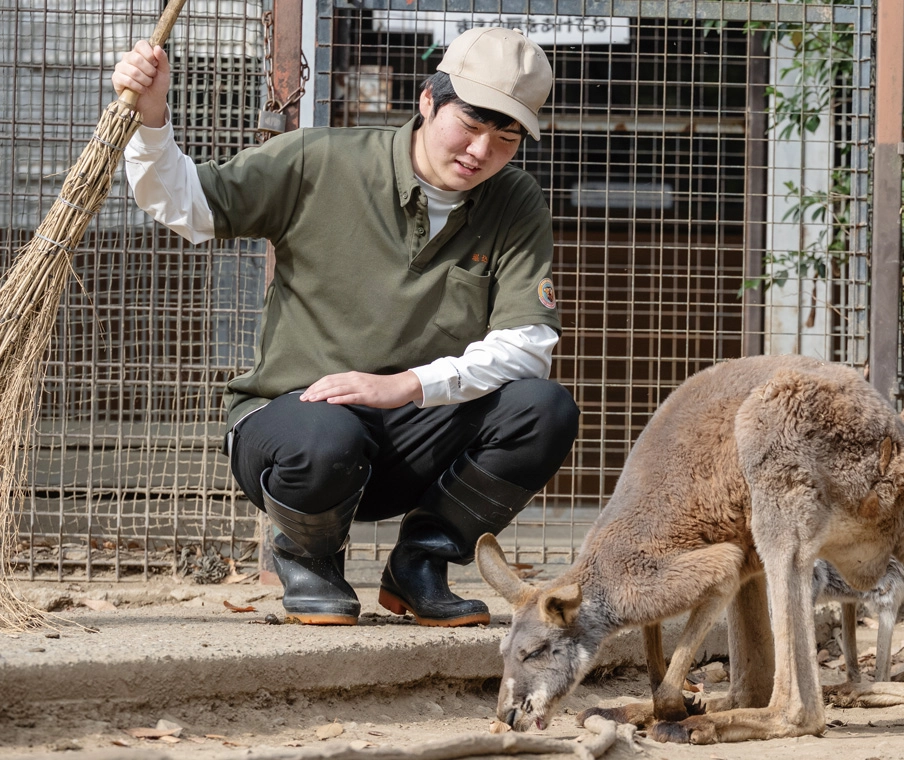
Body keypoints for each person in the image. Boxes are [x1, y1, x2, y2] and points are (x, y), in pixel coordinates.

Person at [112, 28, 579, 627]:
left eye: (506, 137)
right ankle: (308, 557)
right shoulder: (319, 160)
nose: (481, 150)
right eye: (470, 123)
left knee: (543, 409)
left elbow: (528, 345)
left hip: (411, 435)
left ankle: (421, 563)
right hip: (297, 429)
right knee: (325, 438)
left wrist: (407, 385)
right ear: (428, 100)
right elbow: (185, 205)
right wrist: (152, 119)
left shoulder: (513, 200)